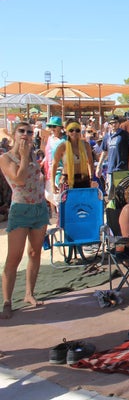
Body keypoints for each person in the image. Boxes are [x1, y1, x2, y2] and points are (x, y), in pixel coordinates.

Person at [0, 122, 50, 319]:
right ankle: (7, 301)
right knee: (14, 256)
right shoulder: (6, 157)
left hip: (38, 207)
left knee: (34, 251)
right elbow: (18, 179)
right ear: (14, 134)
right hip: (20, 209)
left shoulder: (32, 155)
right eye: (21, 131)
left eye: (29, 132)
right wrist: (23, 157)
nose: (26, 134)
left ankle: (29, 293)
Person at [51, 119, 95, 192]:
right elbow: (54, 165)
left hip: (83, 179)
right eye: (71, 130)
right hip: (68, 180)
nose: (74, 132)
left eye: (77, 130)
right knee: (68, 203)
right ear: (67, 132)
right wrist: (53, 185)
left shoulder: (86, 145)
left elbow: (90, 162)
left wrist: (91, 178)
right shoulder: (62, 147)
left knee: (83, 203)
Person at [96, 115, 129, 189]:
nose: (114, 125)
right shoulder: (106, 136)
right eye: (111, 123)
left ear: (119, 123)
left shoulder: (124, 134)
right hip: (111, 169)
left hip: (121, 168)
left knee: (121, 193)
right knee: (110, 193)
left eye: (115, 122)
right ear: (109, 125)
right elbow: (104, 152)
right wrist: (99, 166)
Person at [43, 116, 65, 210]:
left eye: (54, 126)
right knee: (48, 195)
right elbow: (48, 153)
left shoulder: (65, 140)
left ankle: (61, 217)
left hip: (59, 171)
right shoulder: (50, 139)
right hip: (48, 170)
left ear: (60, 127)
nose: (52, 128)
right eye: (51, 126)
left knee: (58, 196)